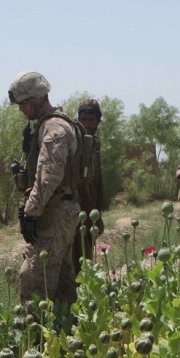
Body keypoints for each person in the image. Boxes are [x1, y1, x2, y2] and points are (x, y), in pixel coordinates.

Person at [9, 70, 80, 312]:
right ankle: (67, 333)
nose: (21, 110)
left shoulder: (54, 128)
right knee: (61, 280)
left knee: (33, 280)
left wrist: (31, 212)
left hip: (53, 212)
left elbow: (49, 176)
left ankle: (36, 341)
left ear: (39, 98)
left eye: (24, 103)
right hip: (58, 210)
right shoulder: (46, 126)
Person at [72, 98, 108, 273]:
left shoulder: (94, 143)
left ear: (98, 122)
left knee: (87, 254)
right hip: (76, 209)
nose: (86, 123)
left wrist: (98, 212)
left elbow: (98, 178)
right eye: (83, 119)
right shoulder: (73, 142)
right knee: (77, 256)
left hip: (91, 208)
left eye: (90, 120)